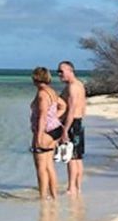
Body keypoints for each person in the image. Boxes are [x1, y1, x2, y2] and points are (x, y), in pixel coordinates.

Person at [30, 67, 67, 200]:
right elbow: (63, 106)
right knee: (49, 165)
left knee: (40, 167)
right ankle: (54, 195)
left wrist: (38, 137)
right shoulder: (51, 92)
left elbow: (42, 117)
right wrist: (55, 118)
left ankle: (43, 197)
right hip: (55, 130)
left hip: (45, 132)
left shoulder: (42, 94)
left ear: (35, 78)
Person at [58, 60, 86, 195]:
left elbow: (71, 110)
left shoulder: (72, 87)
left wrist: (64, 130)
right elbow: (83, 108)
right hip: (78, 122)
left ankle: (71, 188)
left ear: (70, 71)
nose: (59, 74)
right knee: (78, 158)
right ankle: (78, 187)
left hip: (73, 123)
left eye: (61, 71)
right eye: (58, 71)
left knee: (71, 158)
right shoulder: (79, 84)